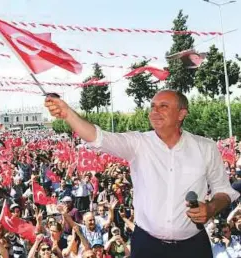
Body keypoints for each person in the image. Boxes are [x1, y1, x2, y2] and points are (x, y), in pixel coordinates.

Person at [45, 90, 240, 258]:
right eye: (153, 106)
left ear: (181, 113)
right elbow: (98, 137)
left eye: (163, 106)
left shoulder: (205, 147)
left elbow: (223, 191)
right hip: (147, 245)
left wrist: (212, 207)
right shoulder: (138, 143)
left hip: (192, 246)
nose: (154, 111)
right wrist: (68, 114)